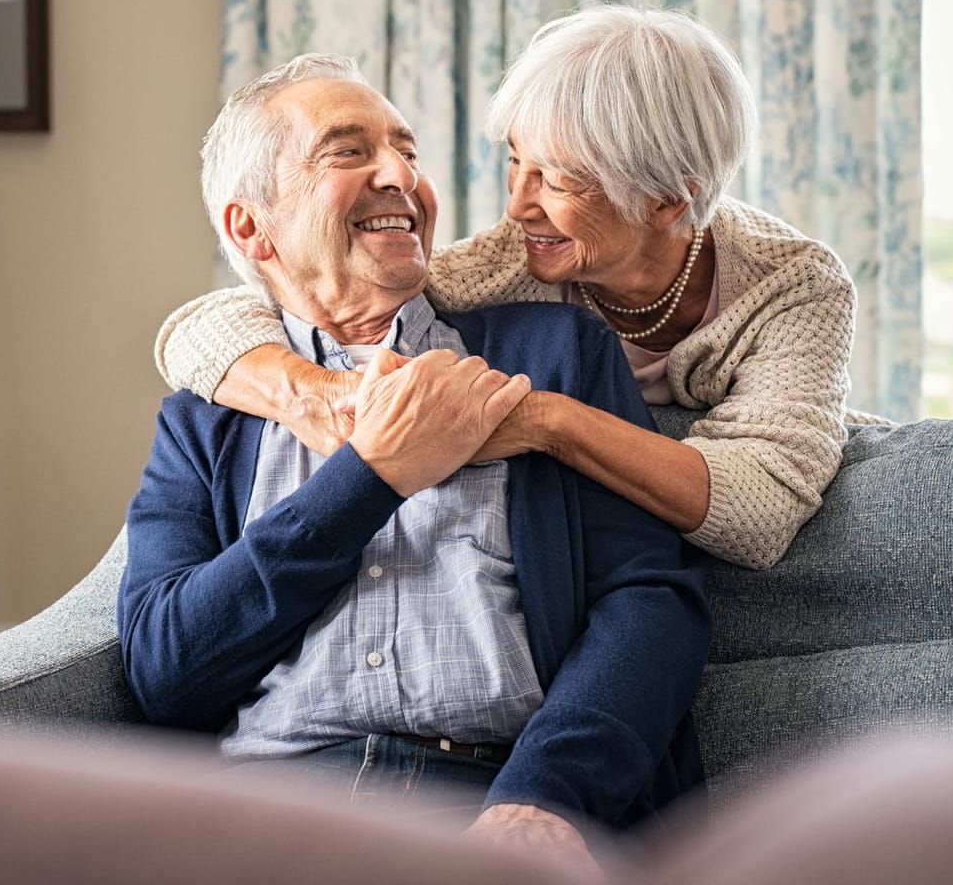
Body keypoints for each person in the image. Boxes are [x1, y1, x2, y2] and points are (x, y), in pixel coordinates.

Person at [119, 55, 709, 874]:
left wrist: (545, 798)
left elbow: (651, 604)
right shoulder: (206, 416)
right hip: (274, 817)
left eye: (408, 152)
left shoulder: (551, 355)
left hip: (492, 796)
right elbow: (165, 670)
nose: (401, 175)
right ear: (253, 228)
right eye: (347, 152)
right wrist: (372, 476)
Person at [155, 5, 859, 570]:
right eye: (516, 163)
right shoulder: (507, 263)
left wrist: (545, 422)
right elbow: (208, 324)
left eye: (554, 180)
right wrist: (315, 393)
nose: (518, 206)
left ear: (667, 200)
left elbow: (760, 512)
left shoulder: (794, 287)